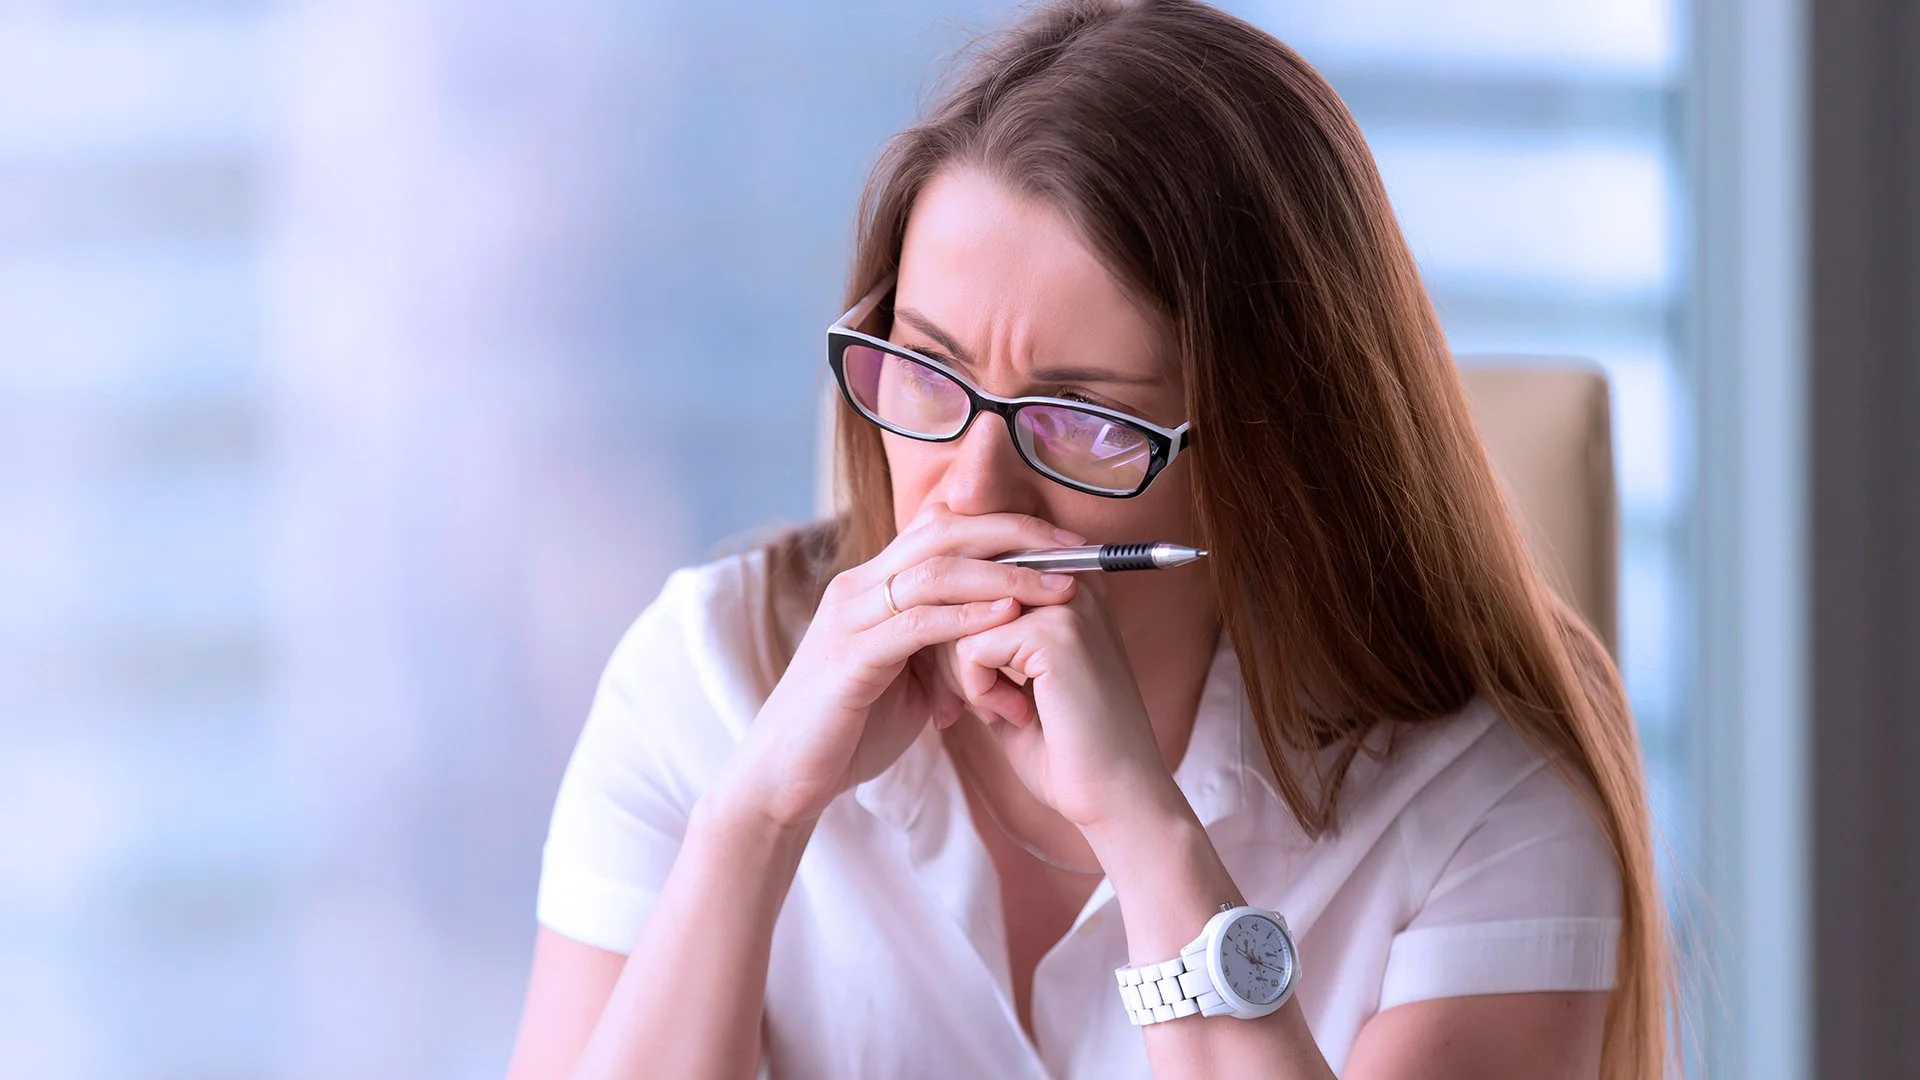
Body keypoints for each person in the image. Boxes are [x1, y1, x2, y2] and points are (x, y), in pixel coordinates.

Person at [506, 1, 1674, 1077]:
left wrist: (1143, 829)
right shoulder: (703, 681)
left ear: (1271, 455)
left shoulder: (1483, 806)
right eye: (928, 370)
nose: (970, 489)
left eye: (1079, 419)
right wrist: (754, 821)